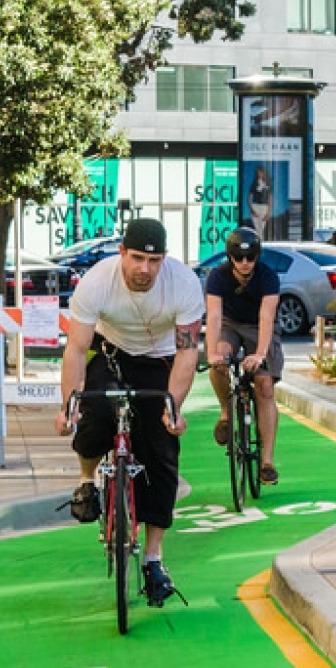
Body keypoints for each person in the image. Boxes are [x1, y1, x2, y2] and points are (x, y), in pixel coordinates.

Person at [55, 218, 204, 607]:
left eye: (154, 261)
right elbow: (75, 349)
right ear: (122, 253)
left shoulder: (184, 283)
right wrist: (68, 405)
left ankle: (154, 560)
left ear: (164, 259)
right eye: (137, 258)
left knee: (162, 452)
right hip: (112, 354)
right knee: (91, 419)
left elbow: (188, 350)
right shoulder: (97, 282)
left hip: (162, 363)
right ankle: (88, 481)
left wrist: (174, 408)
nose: (145, 269)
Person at [203, 227, 283, 485]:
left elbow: (266, 317)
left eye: (250, 258)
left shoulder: (268, 277)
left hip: (259, 328)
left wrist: (259, 354)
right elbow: (214, 317)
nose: (245, 263)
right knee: (220, 360)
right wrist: (212, 352)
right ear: (230, 257)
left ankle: (268, 461)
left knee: (264, 385)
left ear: (257, 256)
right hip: (230, 324)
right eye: (238, 258)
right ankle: (226, 412)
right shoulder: (217, 276)